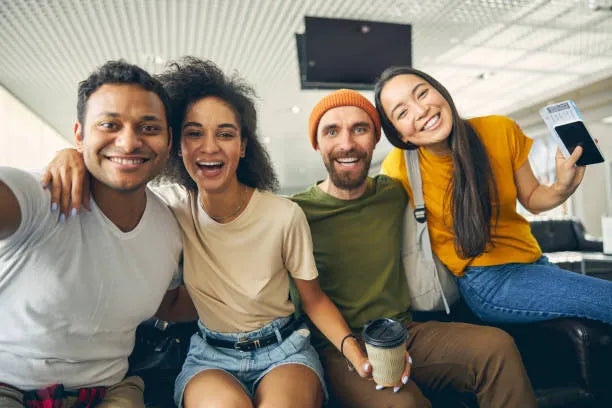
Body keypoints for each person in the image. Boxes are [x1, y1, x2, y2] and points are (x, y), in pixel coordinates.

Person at [43, 57, 375, 408]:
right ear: (176, 144)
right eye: (194, 133)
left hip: (284, 349)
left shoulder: (284, 214)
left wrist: (355, 353)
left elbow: (314, 299)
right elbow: (117, 182)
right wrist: (71, 154)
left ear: (243, 146)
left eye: (226, 134)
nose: (210, 146)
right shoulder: (171, 211)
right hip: (211, 357)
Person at [291, 89, 537, 408]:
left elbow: (444, 169)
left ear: (376, 139)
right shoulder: (296, 212)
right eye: (332, 131)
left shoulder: (395, 192)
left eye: (360, 129)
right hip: (338, 347)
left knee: (496, 347)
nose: (347, 143)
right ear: (317, 144)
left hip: (404, 331)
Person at [0, 61, 195, 408]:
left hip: (111, 392)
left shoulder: (168, 225)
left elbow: (167, 303)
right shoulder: (38, 195)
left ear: (168, 143)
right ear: (79, 135)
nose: (129, 141)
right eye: (109, 124)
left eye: (148, 127)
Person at [375, 66, 612, 325]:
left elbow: (532, 198)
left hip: (535, 262)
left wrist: (562, 187)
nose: (421, 110)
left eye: (422, 94)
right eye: (402, 112)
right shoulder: (397, 168)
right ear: (400, 134)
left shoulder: (499, 130)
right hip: (486, 281)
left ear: (440, 92)